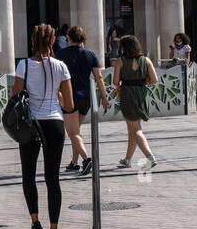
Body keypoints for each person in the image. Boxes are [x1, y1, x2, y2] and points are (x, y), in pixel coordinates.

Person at [12, 25, 73, 229]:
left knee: (29, 175)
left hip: (31, 126)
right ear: (52, 41)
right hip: (55, 123)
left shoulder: (23, 65)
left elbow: (16, 96)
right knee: (52, 178)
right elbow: (69, 104)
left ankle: (35, 223)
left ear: (32, 41)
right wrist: (55, 96)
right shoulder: (61, 67)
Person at [57, 26, 110, 176]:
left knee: (72, 132)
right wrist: (105, 97)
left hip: (69, 97)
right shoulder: (90, 55)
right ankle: (74, 163)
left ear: (69, 37)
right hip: (86, 97)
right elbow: (98, 77)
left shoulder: (61, 54)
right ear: (83, 38)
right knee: (76, 131)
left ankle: (87, 159)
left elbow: (56, 76)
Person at [113, 35, 158, 169]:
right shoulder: (146, 60)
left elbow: (115, 82)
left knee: (136, 130)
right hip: (142, 94)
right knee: (132, 128)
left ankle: (150, 156)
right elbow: (155, 80)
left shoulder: (120, 61)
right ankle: (127, 159)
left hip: (128, 94)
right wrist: (143, 81)